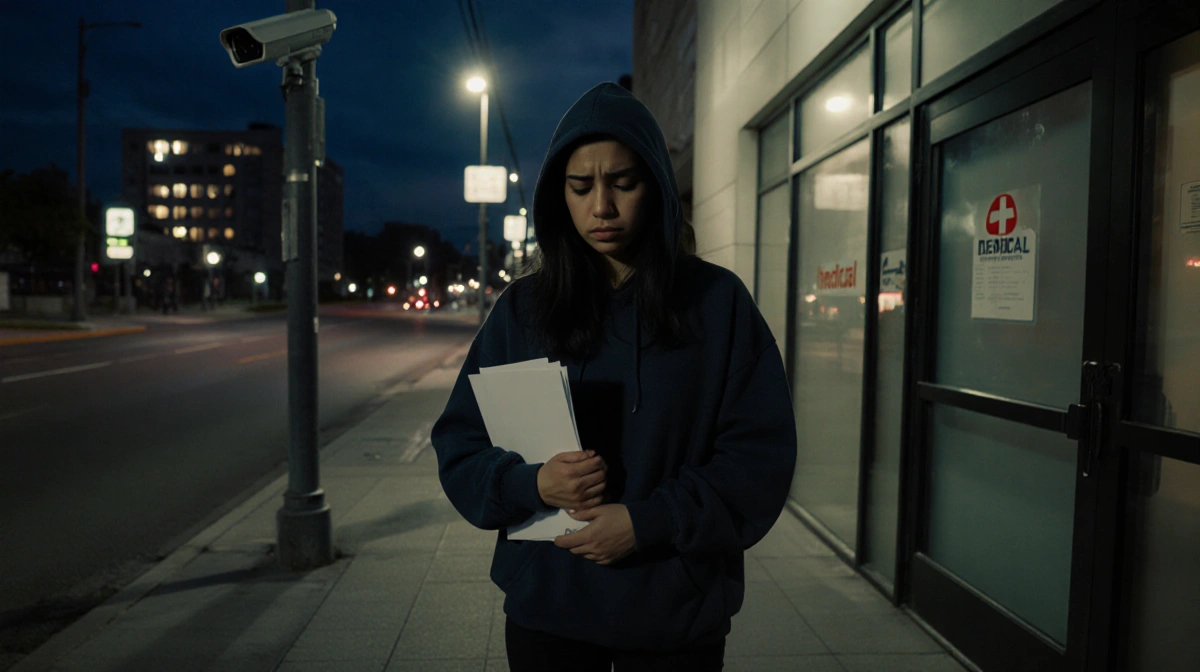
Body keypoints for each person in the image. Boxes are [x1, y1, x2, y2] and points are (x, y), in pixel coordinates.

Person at [430, 82, 797, 672]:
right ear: (559, 195)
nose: (601, 206)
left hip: (675, 615)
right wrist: (533, 485)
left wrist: (650, 521)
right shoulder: (523, 310)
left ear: (656, 186)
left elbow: (759, 460)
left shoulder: (716, 303)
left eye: (623, 183)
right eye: (581, 187)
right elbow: (460, 446)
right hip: (549, 612)